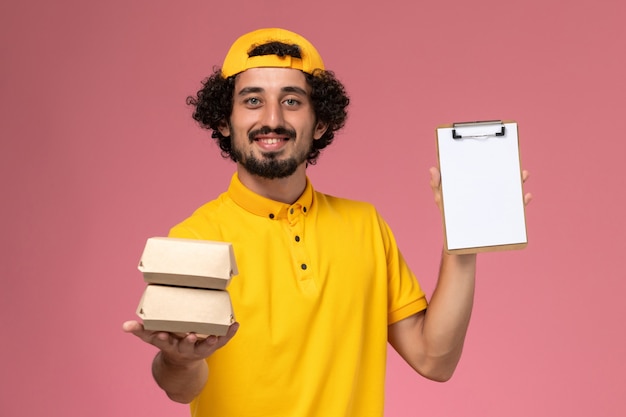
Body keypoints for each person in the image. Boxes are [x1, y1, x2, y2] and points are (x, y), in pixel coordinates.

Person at [123, 27, 530, 416]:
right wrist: (178, 360)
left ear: (319, 123)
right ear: (223, 122)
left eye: (292, 101)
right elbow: (180, 387)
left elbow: (434, 359)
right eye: (252, 100)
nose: (273, 119)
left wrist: (463, 241)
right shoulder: (194, 239)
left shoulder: (365, 226)